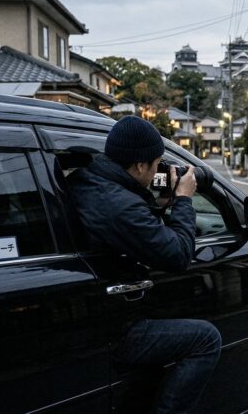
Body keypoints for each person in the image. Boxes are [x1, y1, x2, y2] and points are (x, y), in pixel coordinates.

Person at [68, 115, 221, 414]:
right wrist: (184, 200)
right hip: (114, 329)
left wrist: (159, 206)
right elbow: (177, 256)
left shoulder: (87, 181)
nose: (156, 172)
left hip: (94, 314)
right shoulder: (120, 205)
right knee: (206, 338)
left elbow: (136, 230)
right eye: (155, 163)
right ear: (139, 165)